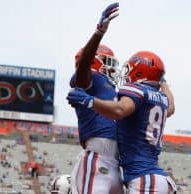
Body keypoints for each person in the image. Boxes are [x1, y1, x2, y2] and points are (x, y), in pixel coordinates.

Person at [67, 50, 177, 194]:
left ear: (139, 73)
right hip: (148, 176)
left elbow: (119, 110)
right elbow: (171, 108)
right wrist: (163, 83)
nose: (125, 73)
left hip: (144, 178)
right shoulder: (160, 100)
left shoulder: (137, 90)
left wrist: (90, 101)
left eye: (130, 69)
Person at [68, 2, 123, 194]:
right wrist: (99, 32)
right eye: (108, 63)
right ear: (93, 61)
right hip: (97, 156)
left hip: (116, 162)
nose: (112, 69)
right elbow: (83, 67)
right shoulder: (90, 79)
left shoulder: (110, 87)